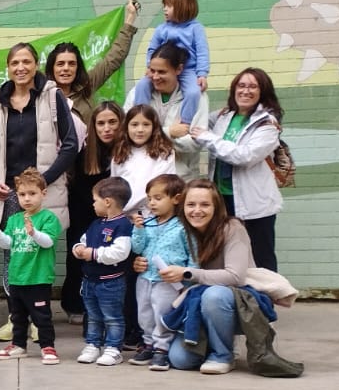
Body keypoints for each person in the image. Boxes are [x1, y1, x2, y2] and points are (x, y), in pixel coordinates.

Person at [150, 181, 253, 374]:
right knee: (180, 360)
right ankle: (209, 343)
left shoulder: (232, 228)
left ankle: (223, 354)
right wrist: (142, 263)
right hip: (194, 304)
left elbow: (235, 276)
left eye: (205, 205)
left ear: (217, 207)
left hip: (233, 299)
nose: (197, 211)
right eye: (191, 205)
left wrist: (187, 273)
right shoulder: (180, 230)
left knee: (213, 295)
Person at [0, 42, 80, 235]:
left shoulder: (52, 96)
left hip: (43, 192)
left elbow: (71, 144)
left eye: (26, 61)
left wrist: (43, 181)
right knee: (13, 256)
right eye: (15, 63)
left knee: (41, 256)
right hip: (8, 192)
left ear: (36, 65)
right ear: (8, 68)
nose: (20, 68)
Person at [192, 67, 284, 270]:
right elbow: (196, 121)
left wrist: (207, 137)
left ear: (263, 92)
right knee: (224, 254)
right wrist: (193, 87)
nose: (246, 91)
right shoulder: (224, 116)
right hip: (221, 199)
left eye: (253, 86)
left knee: (260, 257)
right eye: (241, 85)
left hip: (253, 204)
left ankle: (264, 301)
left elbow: (244, 156)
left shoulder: (267, 124)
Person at [0, 168, 63, 364]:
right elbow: (8, 244)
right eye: (22, 194)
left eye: (32, 194)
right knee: (17, 316)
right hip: (17, 277)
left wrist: (34, 232)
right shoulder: (14, 219)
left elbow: (48, 242)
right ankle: (18, 345)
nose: (27, 199)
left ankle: (47, 346)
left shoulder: (48, 218)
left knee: (41, 316)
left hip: (38, 277)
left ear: (43, 194)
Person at [62, 101, 124, 325]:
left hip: (119, 217)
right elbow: (78, 192)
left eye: (112, 122)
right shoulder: (86, 154)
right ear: (94, 127)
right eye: (101, 123)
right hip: (85, 215)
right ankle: (74, 304)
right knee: (78, 260)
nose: (107, 128)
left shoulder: (126, 153)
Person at [48, 0, 142, 129]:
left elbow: (114, 58)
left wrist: (130, 18)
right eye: (60, 64)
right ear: (51, 68)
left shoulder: (87, 84)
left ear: (77, 67)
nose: (66, 68)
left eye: (71, 64)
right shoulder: (42, 94)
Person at [70, 178, 134, 366]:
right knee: (93, 315)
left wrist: (94, 254)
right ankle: (93, 344)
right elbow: (84, 239)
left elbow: (120, 252)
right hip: (90, 280)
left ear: (107, 202)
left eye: (95, 199)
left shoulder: (123, 225)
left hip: (110, 282)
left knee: (112, 316)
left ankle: (114, 348)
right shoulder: (96, 224)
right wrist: (79, 248)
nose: (92, 203)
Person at [130, 173, 189, 371]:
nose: (152, 203)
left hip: (167, 281)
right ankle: (148, 344)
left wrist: (190, 275)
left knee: (162, 314)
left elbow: (193, 254)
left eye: (158, 198)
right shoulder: (148, 222)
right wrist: (137, 230)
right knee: (144, 313)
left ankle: (162, 349)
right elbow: (137, 248)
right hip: (145, 277)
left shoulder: (182, 226)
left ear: (176, 199)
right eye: (149, 198)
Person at [125, 43, 210, 176]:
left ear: (179, 69)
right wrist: (169, 132)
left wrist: (148, 137)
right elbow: (128, 134)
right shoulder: (137, 93)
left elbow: (196, 142)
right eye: (152, 71)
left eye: (162, 72)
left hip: (181, 178)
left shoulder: (197, 97)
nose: (155, 77)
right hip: (144, 176)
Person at [132, 0, 210, 125]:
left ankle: (185, 122)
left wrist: (202, 74)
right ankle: (140, 116)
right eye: (164, 6)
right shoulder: (161, 29)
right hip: (161, 69)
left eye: (169, 6)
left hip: (188, 70)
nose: (164, 9)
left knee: (193, 93)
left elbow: (202, 52)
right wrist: (150, 67)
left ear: (182, 8)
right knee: (142, 85)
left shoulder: (195, 29)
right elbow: (152, 49)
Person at [111, 105, 178, 218]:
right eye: (134, 125)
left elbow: (163, 186)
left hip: (153, 215)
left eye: (146, 124)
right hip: (125, 216)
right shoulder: (120, 154)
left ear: (154, 127)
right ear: (126, 127)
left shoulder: (164, 153)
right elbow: (114, 186)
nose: (140, 130)